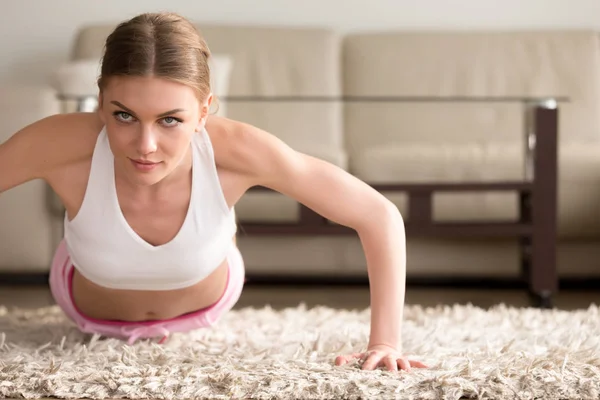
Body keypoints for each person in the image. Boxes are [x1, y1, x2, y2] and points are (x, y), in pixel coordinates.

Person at [0, 11, 427, 373]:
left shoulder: (238, 149)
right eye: (125, 115)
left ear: (204, 111)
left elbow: (379, 215)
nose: (145, 145)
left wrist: (386, 342)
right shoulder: (58, 143)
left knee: (214, 199)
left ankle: (216, 227)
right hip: (87, 308)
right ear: (100, 103)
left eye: (170, 120)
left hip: (205, 304)